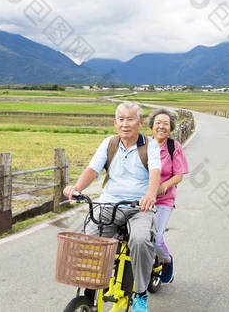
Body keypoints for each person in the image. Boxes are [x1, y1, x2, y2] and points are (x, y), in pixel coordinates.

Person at [63, 101, 161, 312]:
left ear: (140, 123)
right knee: (90, 239)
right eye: (121, 119)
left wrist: (150, 196)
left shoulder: (150, 145)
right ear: (116, 122)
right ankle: (91, 290)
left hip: (139, 207)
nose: (125, 124)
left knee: (141, 240)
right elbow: (92, 169)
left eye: (130, 119)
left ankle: (141, 293)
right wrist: (76, 188)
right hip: (109, 203)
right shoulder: (109, 143)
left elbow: (155, 172)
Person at [148, 108, 189, 284]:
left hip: (164, 200)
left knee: (156, 240)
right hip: (143, 198)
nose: (161, 126)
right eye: (158, 123)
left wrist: (164, 186)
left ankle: (166, 260)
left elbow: (179, 175)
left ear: (171, 127)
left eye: (165, 123)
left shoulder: (174, 147)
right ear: (152, 126)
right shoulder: (143, 145)